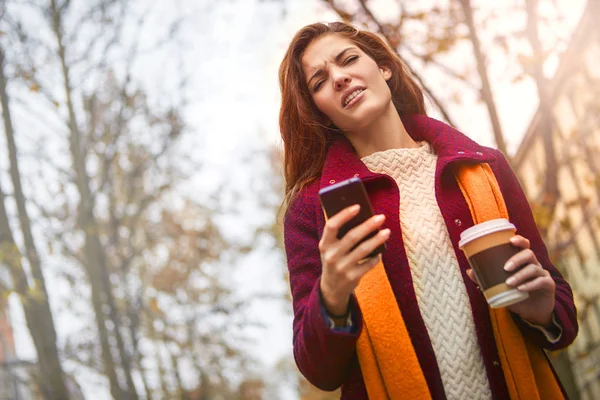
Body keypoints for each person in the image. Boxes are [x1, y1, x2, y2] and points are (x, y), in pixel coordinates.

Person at [279, 21, 578, 399]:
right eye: (319, 82)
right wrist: (332, 295)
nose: (338, 78)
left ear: (383, 67)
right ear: (320, 112)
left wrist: (542, 310)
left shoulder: (485, 167)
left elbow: (562, 318)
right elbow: (319, 370)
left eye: (348, 59)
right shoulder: (312, 209)